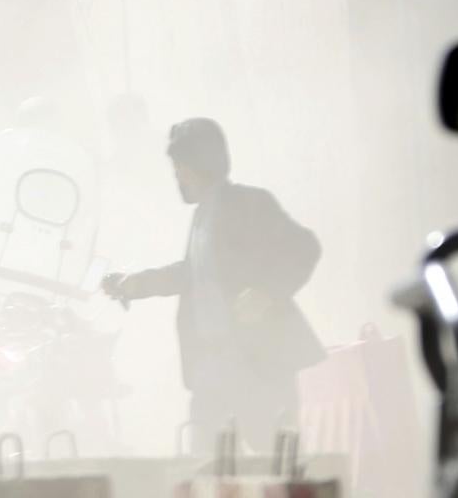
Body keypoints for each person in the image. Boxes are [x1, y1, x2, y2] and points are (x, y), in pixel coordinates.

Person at [99, 118, 323, 451]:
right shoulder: (204, 214)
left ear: (196, 164)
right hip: (213, 367)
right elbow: (193, 274)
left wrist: (267, 293)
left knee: (276, 465)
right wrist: (136, 285)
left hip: (257, 364)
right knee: (205, 465)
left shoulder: (249, 203)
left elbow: (304, 247)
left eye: (179, 166)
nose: (176, 175)